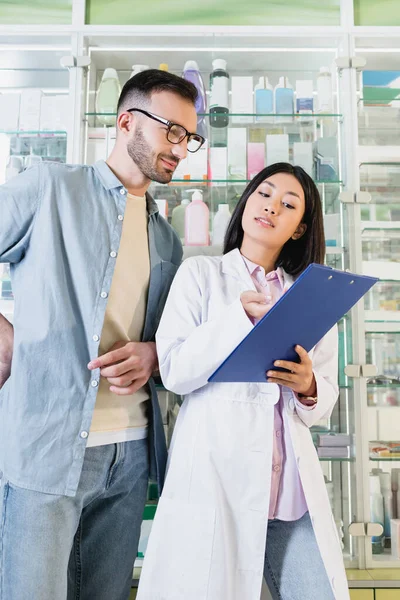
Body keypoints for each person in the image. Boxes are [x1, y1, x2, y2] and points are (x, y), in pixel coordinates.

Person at [0, 69, 205, 600]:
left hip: (132, 454)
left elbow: (172, 340)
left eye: (191, 137)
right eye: (173, 132)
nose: (182, 149)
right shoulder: (49, 188)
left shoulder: (167, 238)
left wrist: (156, 353)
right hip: (48, 445)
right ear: (126, 121)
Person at [137, 163, 350, 600]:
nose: (272, 207)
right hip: (221, 477)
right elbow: (175, 371)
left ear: (298, 229)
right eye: (264, 194)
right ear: (246, 202)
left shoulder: (305, 293)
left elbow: (323, 398)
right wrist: (236, 318)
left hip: (289, 488)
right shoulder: (200, 275)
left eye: (288, 205)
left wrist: (308, 385)